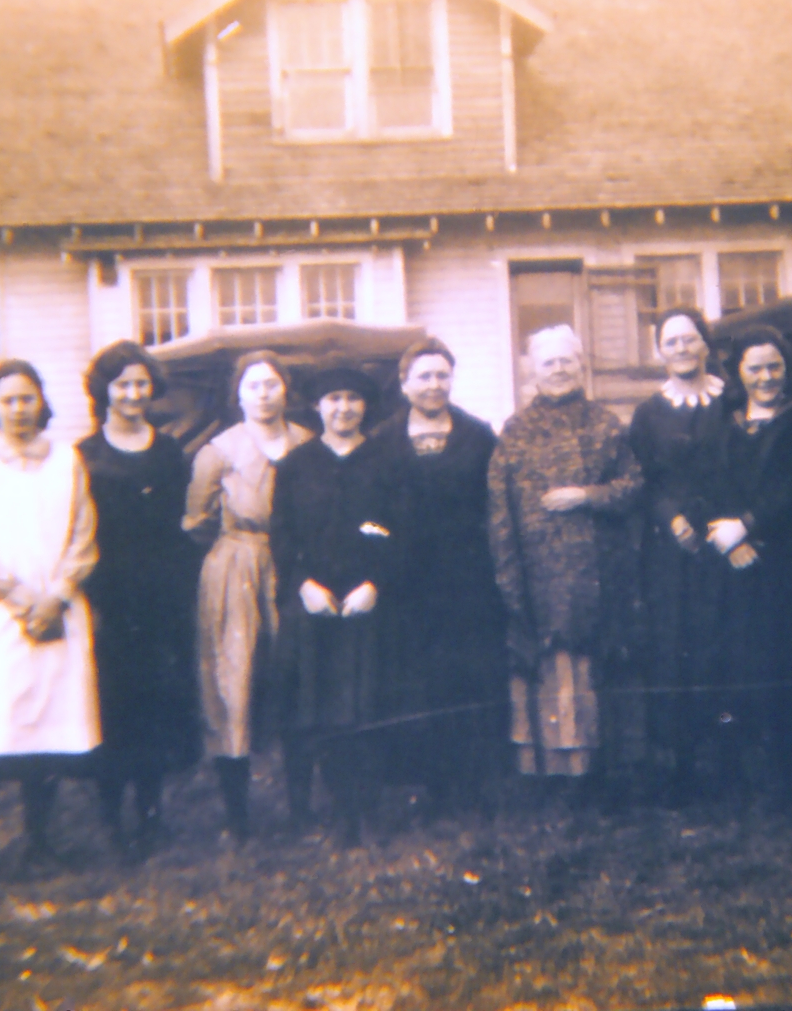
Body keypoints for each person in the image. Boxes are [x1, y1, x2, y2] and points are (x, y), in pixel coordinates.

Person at [0, 359, 98, 893]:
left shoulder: (67, 461)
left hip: (58, 612)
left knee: (47, 731)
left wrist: (55, 596)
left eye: (27, 398)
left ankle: (38, 844)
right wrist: (21, 598)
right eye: (7, 400)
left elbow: (83, 535)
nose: (18, 409)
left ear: (42, 402)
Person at [487, 325, 643, 797]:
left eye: (566, 362)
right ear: (533, 372)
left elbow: (634, 486)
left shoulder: (606, 424)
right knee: (551, 671)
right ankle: (550, 774)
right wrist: (509, 574)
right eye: (548, 363)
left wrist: (587, 496)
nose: (558, 371)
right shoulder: (515, 431)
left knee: (595, 670)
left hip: (600, 572)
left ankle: (599, 773)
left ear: (581, 366)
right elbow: (500, 509)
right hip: (539, 574)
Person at [371, 338, 505, 819]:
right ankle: (424, 784)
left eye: (442, 375)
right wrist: (382, 547)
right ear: (405, 383)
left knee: (468, 676)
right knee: (414, 680)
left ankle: (471, 784)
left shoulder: (478, 435)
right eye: (423, 376)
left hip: (467, 577)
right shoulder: (382, 440)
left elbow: (495, 505)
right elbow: (369, 516)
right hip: (404, 581)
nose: (434, 385)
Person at [76, 341, 199, 862]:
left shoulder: (169, 451)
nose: (132, 393)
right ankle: (108, 818)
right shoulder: (85, 455)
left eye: (141, 384)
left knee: (155, 705)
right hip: (109, 595)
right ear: (104, 390)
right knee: (111, 706)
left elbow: (180, 525)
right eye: (122, 384)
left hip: (161, 595)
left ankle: (151, 813)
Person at [185, 351, 313, 840]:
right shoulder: (217, 451)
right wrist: (236, 547)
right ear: (238, 394)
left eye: (272, 384)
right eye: (253, 385)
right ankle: (237, 817)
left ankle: (301, 807)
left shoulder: (306, 443)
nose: (264, 394)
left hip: (296, 565)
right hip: (236, 563)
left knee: (299, 678)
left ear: (286, 390)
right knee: (232, 680)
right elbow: (196, 522)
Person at [627, 308, 748, 805]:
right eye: (671, 341)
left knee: (724, 645)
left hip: (724, 544)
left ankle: (729, 766)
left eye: (689, 339)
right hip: (672, 552)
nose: (681, 348)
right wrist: (669, 516)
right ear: (659, 350)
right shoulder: (648, 412)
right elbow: (642, 479)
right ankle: (678, 768)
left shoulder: (733, 399)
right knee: (673, 650)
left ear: (705, 345)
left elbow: (745, 468)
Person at [271, 365, 393, 846]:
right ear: (317, 406)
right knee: (304, 706)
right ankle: (301, 809)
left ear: (365, 406)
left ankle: (356, 810)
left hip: (365, 601)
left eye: (352, 399)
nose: (343, 407)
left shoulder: (384, 462)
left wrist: (374, 582)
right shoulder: (296, 465)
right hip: (312, 601)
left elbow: (390, 528)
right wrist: (303, 584)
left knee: (359, 709)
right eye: (333, 398)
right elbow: (282, 534)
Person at [718, 326, 792, 808]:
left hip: (789, 563)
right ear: (738, 373)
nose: (766, 377)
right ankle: (752, 776)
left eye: (774, 367)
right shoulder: (727, 422)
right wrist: (728, 540)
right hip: (738, 564)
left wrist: (747, 524)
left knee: (789, 665)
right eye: (755, 368)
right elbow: (712, 481)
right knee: (745, 666)